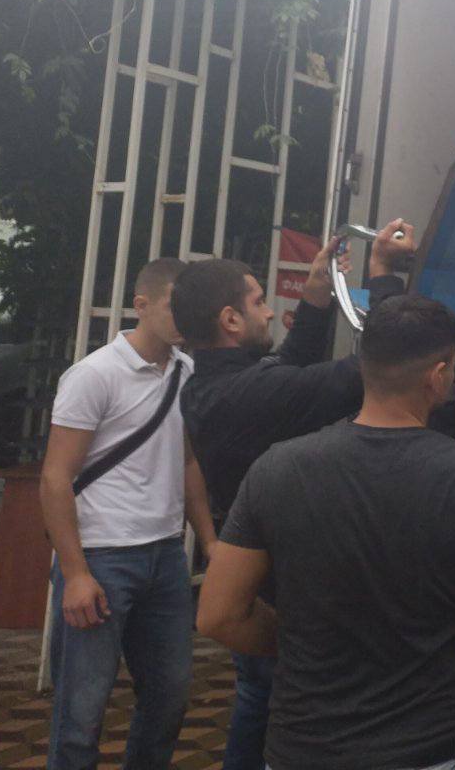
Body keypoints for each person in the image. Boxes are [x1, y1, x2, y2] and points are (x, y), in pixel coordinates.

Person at [197, 293, 455, 770]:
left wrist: (292, 640)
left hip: (301, 750)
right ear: (438, 375)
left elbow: (217, 615)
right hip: (425, 750)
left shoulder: (278, 468)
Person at [175, 223, 415, 770]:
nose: (267, 312)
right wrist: (384, 277)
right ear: (230, 320)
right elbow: (381, 366)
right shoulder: (245, 396)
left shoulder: (214, 386)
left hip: (269, 591)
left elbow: (285, 371)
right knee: (296, 728)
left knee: (257, 707)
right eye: (259, 301)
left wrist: (315, 298)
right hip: (288, 602)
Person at [39, 257, 216, 770]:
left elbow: (187, 461)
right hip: (101, 557)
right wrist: (75, 573)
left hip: (165, 556)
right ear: (141, 305)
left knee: (169, 699)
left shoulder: (187, 372)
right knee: (81, 713)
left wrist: (210, 541)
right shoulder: (94, 375)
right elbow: (55, 478)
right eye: (175, 306)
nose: (187, 317)